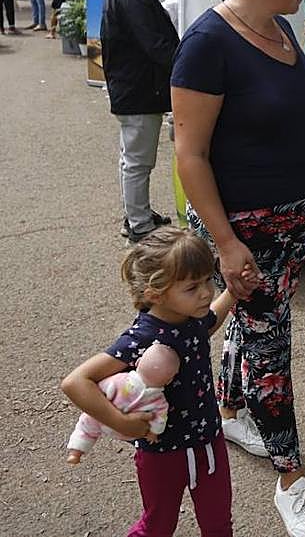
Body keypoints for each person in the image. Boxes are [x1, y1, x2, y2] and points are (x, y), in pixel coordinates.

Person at [171, 0, 305, 537]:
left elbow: (276, 110)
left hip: (296, 217)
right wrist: (225, 246)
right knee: (270, 343)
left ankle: (231, 411)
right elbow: (190, 156)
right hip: (244, 227)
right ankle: (290, 478)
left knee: (251, 332)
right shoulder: (205, 45)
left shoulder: (279, 26)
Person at [62, 227, 237, 536]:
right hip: (162, 453)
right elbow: (76, 382)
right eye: (192, 287)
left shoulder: (190, 318)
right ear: (155, 294)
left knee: (218, 524)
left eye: (208, 280)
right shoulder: (141, 337)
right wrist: (121, 422)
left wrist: (233, 293)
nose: (206, 292)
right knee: (158, 525)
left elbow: (208, 323)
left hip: (209, 442)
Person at [100, 0, 179, 242]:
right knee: (138, 161)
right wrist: (190, 65)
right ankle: (139, 225)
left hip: (134, 88)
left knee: (132, 158)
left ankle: (138, 214)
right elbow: (157, 47)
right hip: (138, 90)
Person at [66, 342, 180, 463]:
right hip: (131, 432)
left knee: (85, 427)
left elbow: (102, 388)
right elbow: (160, 419)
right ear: (169, 380)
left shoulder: (120, 380)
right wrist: (154, 432)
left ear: (138, 362)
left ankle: (76, 452)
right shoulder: (159, 400)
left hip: (102, 418)